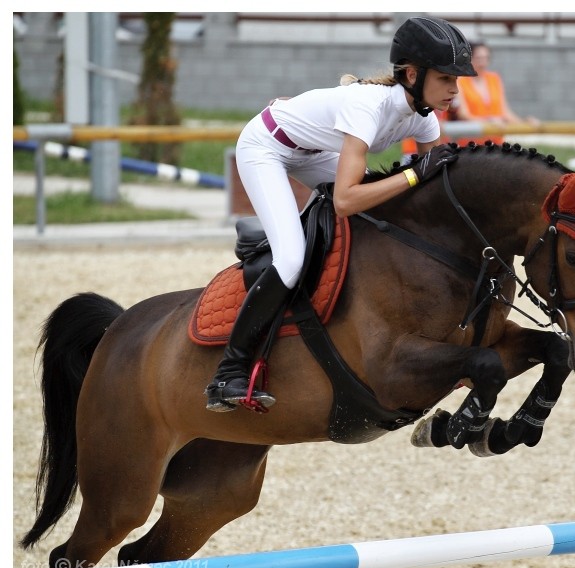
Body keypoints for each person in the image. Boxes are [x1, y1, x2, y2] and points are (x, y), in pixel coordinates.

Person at [205, 16, 477, 412]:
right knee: (292, 258)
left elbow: (440, 186)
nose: (455, 89)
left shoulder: (424, 115)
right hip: (267, 146)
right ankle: (229, 372)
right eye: (446, 79)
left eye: (458, 80)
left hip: (314, 151)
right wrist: (414, 177)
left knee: (388, 210)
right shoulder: (369, 106)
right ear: (413, 75)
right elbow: (347, 200)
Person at [454, 41, 539, 146]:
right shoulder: (460, 81)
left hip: (495, 142)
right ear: (469, 59)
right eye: (479, 58)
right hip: (470, 143)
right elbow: (463, 114)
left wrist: (525, 123)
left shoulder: (494, 79)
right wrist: (488, 121)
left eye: (486, 58)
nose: (483, 63)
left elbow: (504, 112)